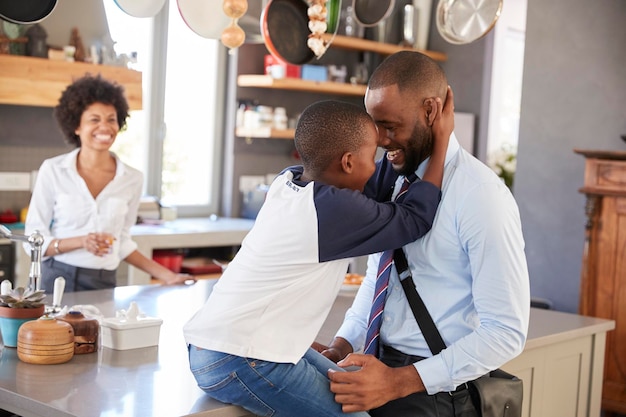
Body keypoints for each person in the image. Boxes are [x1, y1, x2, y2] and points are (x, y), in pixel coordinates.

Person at [183, 97, 455, 417]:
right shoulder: (332, 212)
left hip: (214, 346)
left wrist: (388, 144)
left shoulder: (289, 181)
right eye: (372, 157)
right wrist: (441, 143)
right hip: (238, 357)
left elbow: (374, 184)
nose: (376, 166)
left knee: (351, 392)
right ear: (349, 162)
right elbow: (415, 220)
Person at [320, 51, 530, 416]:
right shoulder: (392, 180)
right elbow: (379, 279)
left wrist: (400, 381)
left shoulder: (481, 196)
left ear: (431, 111)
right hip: (378, 375)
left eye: (390, 126)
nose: (381, 140)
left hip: (435, 394)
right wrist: (342, 343)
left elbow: (506, 331)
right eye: (374, 126)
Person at [25, 74, 194, 293]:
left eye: (111, 119)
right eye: (94, 119)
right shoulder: (53, 170)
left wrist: (168, 275)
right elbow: (33, 241)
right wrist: (81, 242)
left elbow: (121, 242)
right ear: (76, 126)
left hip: (102, 282)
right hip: (56, 278)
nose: (104, 127)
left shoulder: (132, 179)